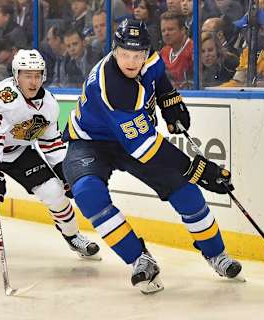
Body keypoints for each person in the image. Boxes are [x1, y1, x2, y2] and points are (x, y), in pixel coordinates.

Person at [61, 19, 242, 294]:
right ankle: (138, 258)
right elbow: (146, 149)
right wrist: (198, 169)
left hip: (132, 138)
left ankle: (216, 254)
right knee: (88, 193)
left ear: (147, 52)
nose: (132, 62)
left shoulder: (151, 60)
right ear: (114, 50)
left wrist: (170, 100)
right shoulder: (113, 88)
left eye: (138, 55)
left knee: (185, 192)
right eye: (125, 55)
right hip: (91, 142)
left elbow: (159, 79)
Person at [0, 49, 101, 261]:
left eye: (38, 75)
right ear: (16, 76)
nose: (33, 81)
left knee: (54, 192)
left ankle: (72, 235)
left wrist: (65, 173)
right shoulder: (2, 97)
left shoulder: (49, 105)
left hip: (16, 149)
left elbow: (51, 143)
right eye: (27, 75)